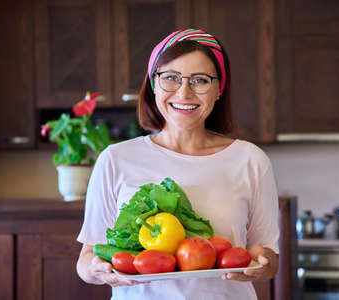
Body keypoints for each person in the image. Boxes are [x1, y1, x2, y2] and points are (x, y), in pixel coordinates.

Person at [76, 28, 280, 300]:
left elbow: (269, 258)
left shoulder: (250, 160)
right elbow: (86, 260)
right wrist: (97, 269)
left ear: (219, 89)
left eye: (200, 80)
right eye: (170, 78)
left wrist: (261, 263)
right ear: (153, 85)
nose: (184, 92)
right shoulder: (115, 159)